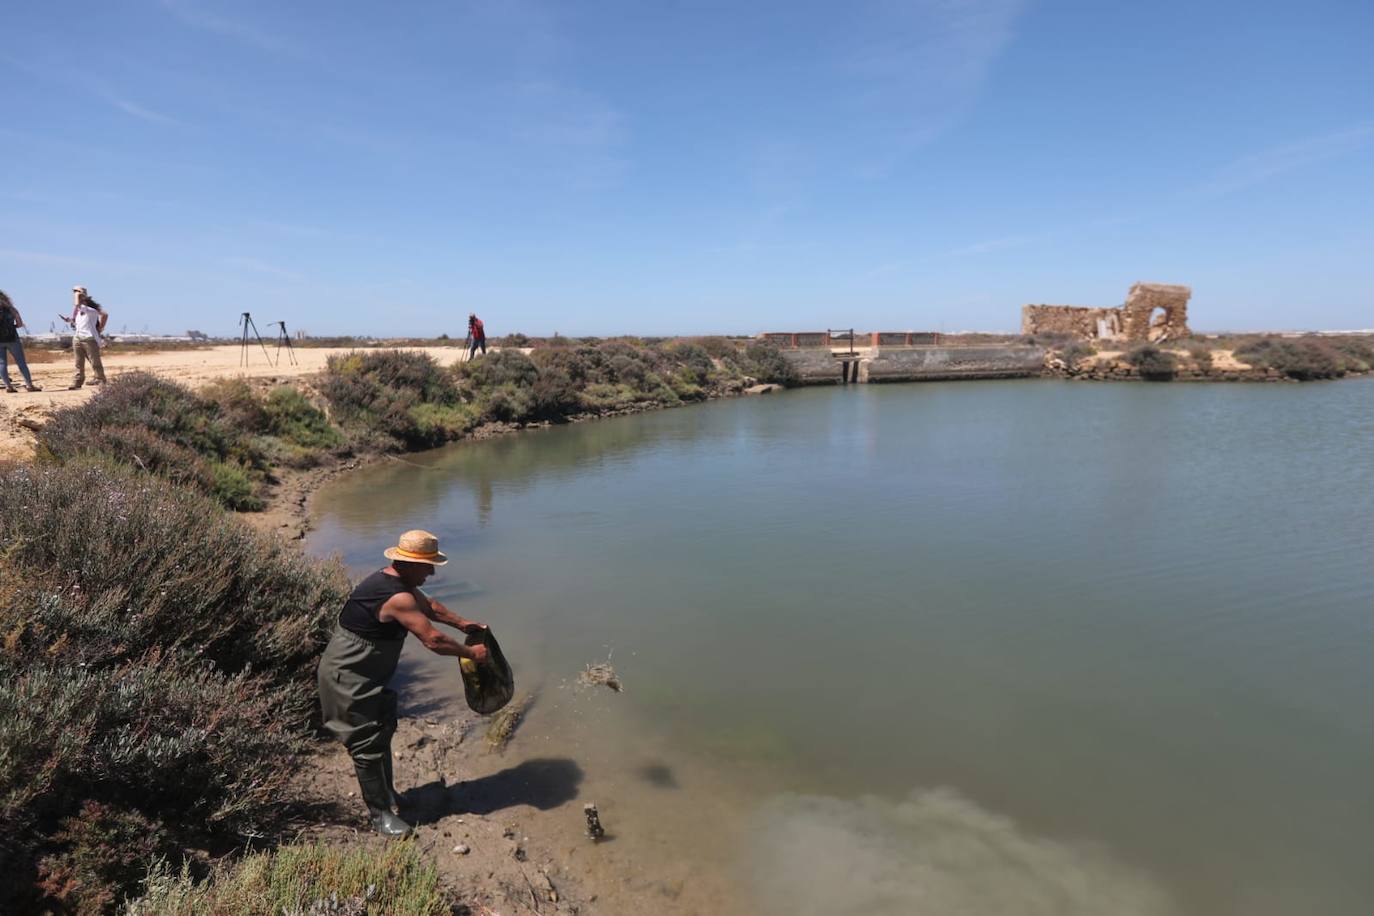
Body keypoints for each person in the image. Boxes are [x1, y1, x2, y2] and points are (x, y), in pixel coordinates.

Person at [317, 529, 489, 837]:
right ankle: (379, 814)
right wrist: (470, 653)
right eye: (427, 565)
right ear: (407, 563)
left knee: (382, 731)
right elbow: (433, 640)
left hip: (368, 674)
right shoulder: (396, 597)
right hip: (348, 677)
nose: (432, 571)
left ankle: (390, 795)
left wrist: (463, 623)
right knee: (366, 745)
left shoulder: (398, 583)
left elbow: (431, 607)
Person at [67, 286, 108, 389]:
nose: (75, 294)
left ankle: (100, 379)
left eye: (77, 292)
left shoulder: (89, 309)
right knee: (78, 362)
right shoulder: (78, 310)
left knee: (95, 361)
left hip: (89, 338)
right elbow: (80, 321)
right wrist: (70, 321)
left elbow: (104, 314)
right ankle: (78, 381)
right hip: (78, 337)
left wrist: (100, 328)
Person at [0, 290, 41, 393]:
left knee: (2, 363)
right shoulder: (12, 310)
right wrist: (12, 326)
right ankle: (29, 385)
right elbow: (20, 324)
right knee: (21, 362)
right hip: (13, 339)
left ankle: (8, 386)